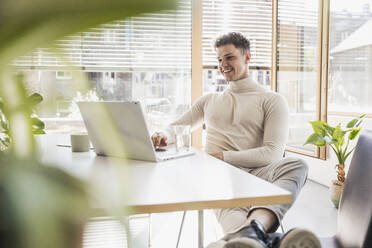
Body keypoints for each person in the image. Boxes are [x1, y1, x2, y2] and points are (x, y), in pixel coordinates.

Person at [152, 32, 321, 248]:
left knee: (298, 165)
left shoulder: (272, 101)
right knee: (242, 237)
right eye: (219, 59)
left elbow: (272, 153)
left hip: (258, 177)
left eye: (229, 57)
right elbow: (176, 128)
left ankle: (249, 235)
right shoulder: (209, 101)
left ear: (247, 57)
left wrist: (221, 156)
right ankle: (263, 234)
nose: (223, 64)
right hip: (219, 180)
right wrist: (163, 134)